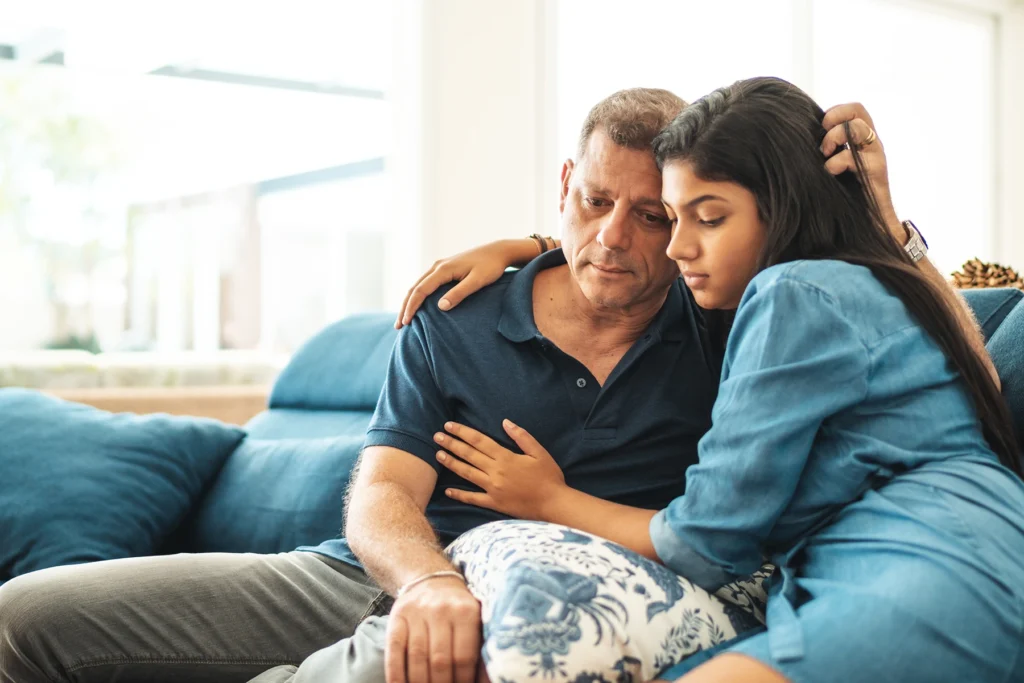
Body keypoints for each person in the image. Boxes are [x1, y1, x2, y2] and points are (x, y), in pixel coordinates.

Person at [0, 87, 738, 683]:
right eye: (596, 201)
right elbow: (381, 495)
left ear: (685, 223)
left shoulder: (721, 333)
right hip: (372, 574)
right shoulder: (456, 313)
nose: (613, 237)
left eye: (650, 216)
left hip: (527, 613)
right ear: (565, 184)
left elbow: (828, 254)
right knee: (23, 616)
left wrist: (862, 164)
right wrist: (426, 582)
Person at [406, 77, 1024, 683]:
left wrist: (548, 501)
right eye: (670, 217)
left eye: (706, 218)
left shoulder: (793, 295)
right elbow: (981, 381)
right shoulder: (844, 286)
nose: (676, 246)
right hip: (916, 561)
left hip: (924, 569)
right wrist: (530, 247)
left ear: (779, 209)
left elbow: (705, 541)